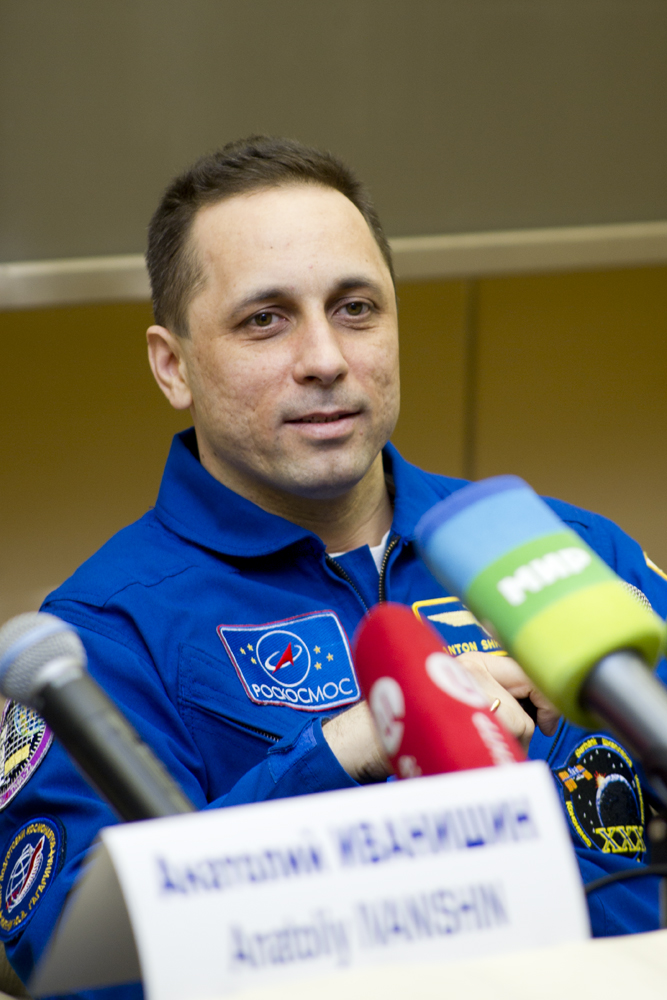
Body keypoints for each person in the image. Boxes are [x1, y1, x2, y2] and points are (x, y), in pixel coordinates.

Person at [1, 136, 666, 996]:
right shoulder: (101, 640)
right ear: (173, 366)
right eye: (264, 319)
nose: (324, 358)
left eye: (355, 308)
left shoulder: (561, 549)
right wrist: (345, 748)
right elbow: (68, 963)